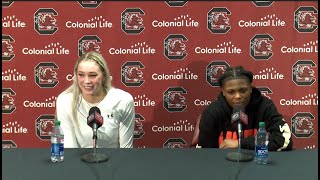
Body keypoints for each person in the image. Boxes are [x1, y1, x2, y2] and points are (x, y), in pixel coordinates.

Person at [198, 66, 293, 151]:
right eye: (231, 92)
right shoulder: (212, 112)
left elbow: (284, 141)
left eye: (243, 91)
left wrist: (241, 143)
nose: (238, 96)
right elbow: (205, 153)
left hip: (258, 163)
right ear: (223, 91)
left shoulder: (265, 106)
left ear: (250, 88)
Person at [56, 51, 135, 148]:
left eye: (92, 75)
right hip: (79, 160)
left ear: (104, 76)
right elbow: (69, 148)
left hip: (114, 160)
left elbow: (126, 150)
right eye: (81, 75)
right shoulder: (65, 100)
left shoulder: (123, 100)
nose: (86, 81)